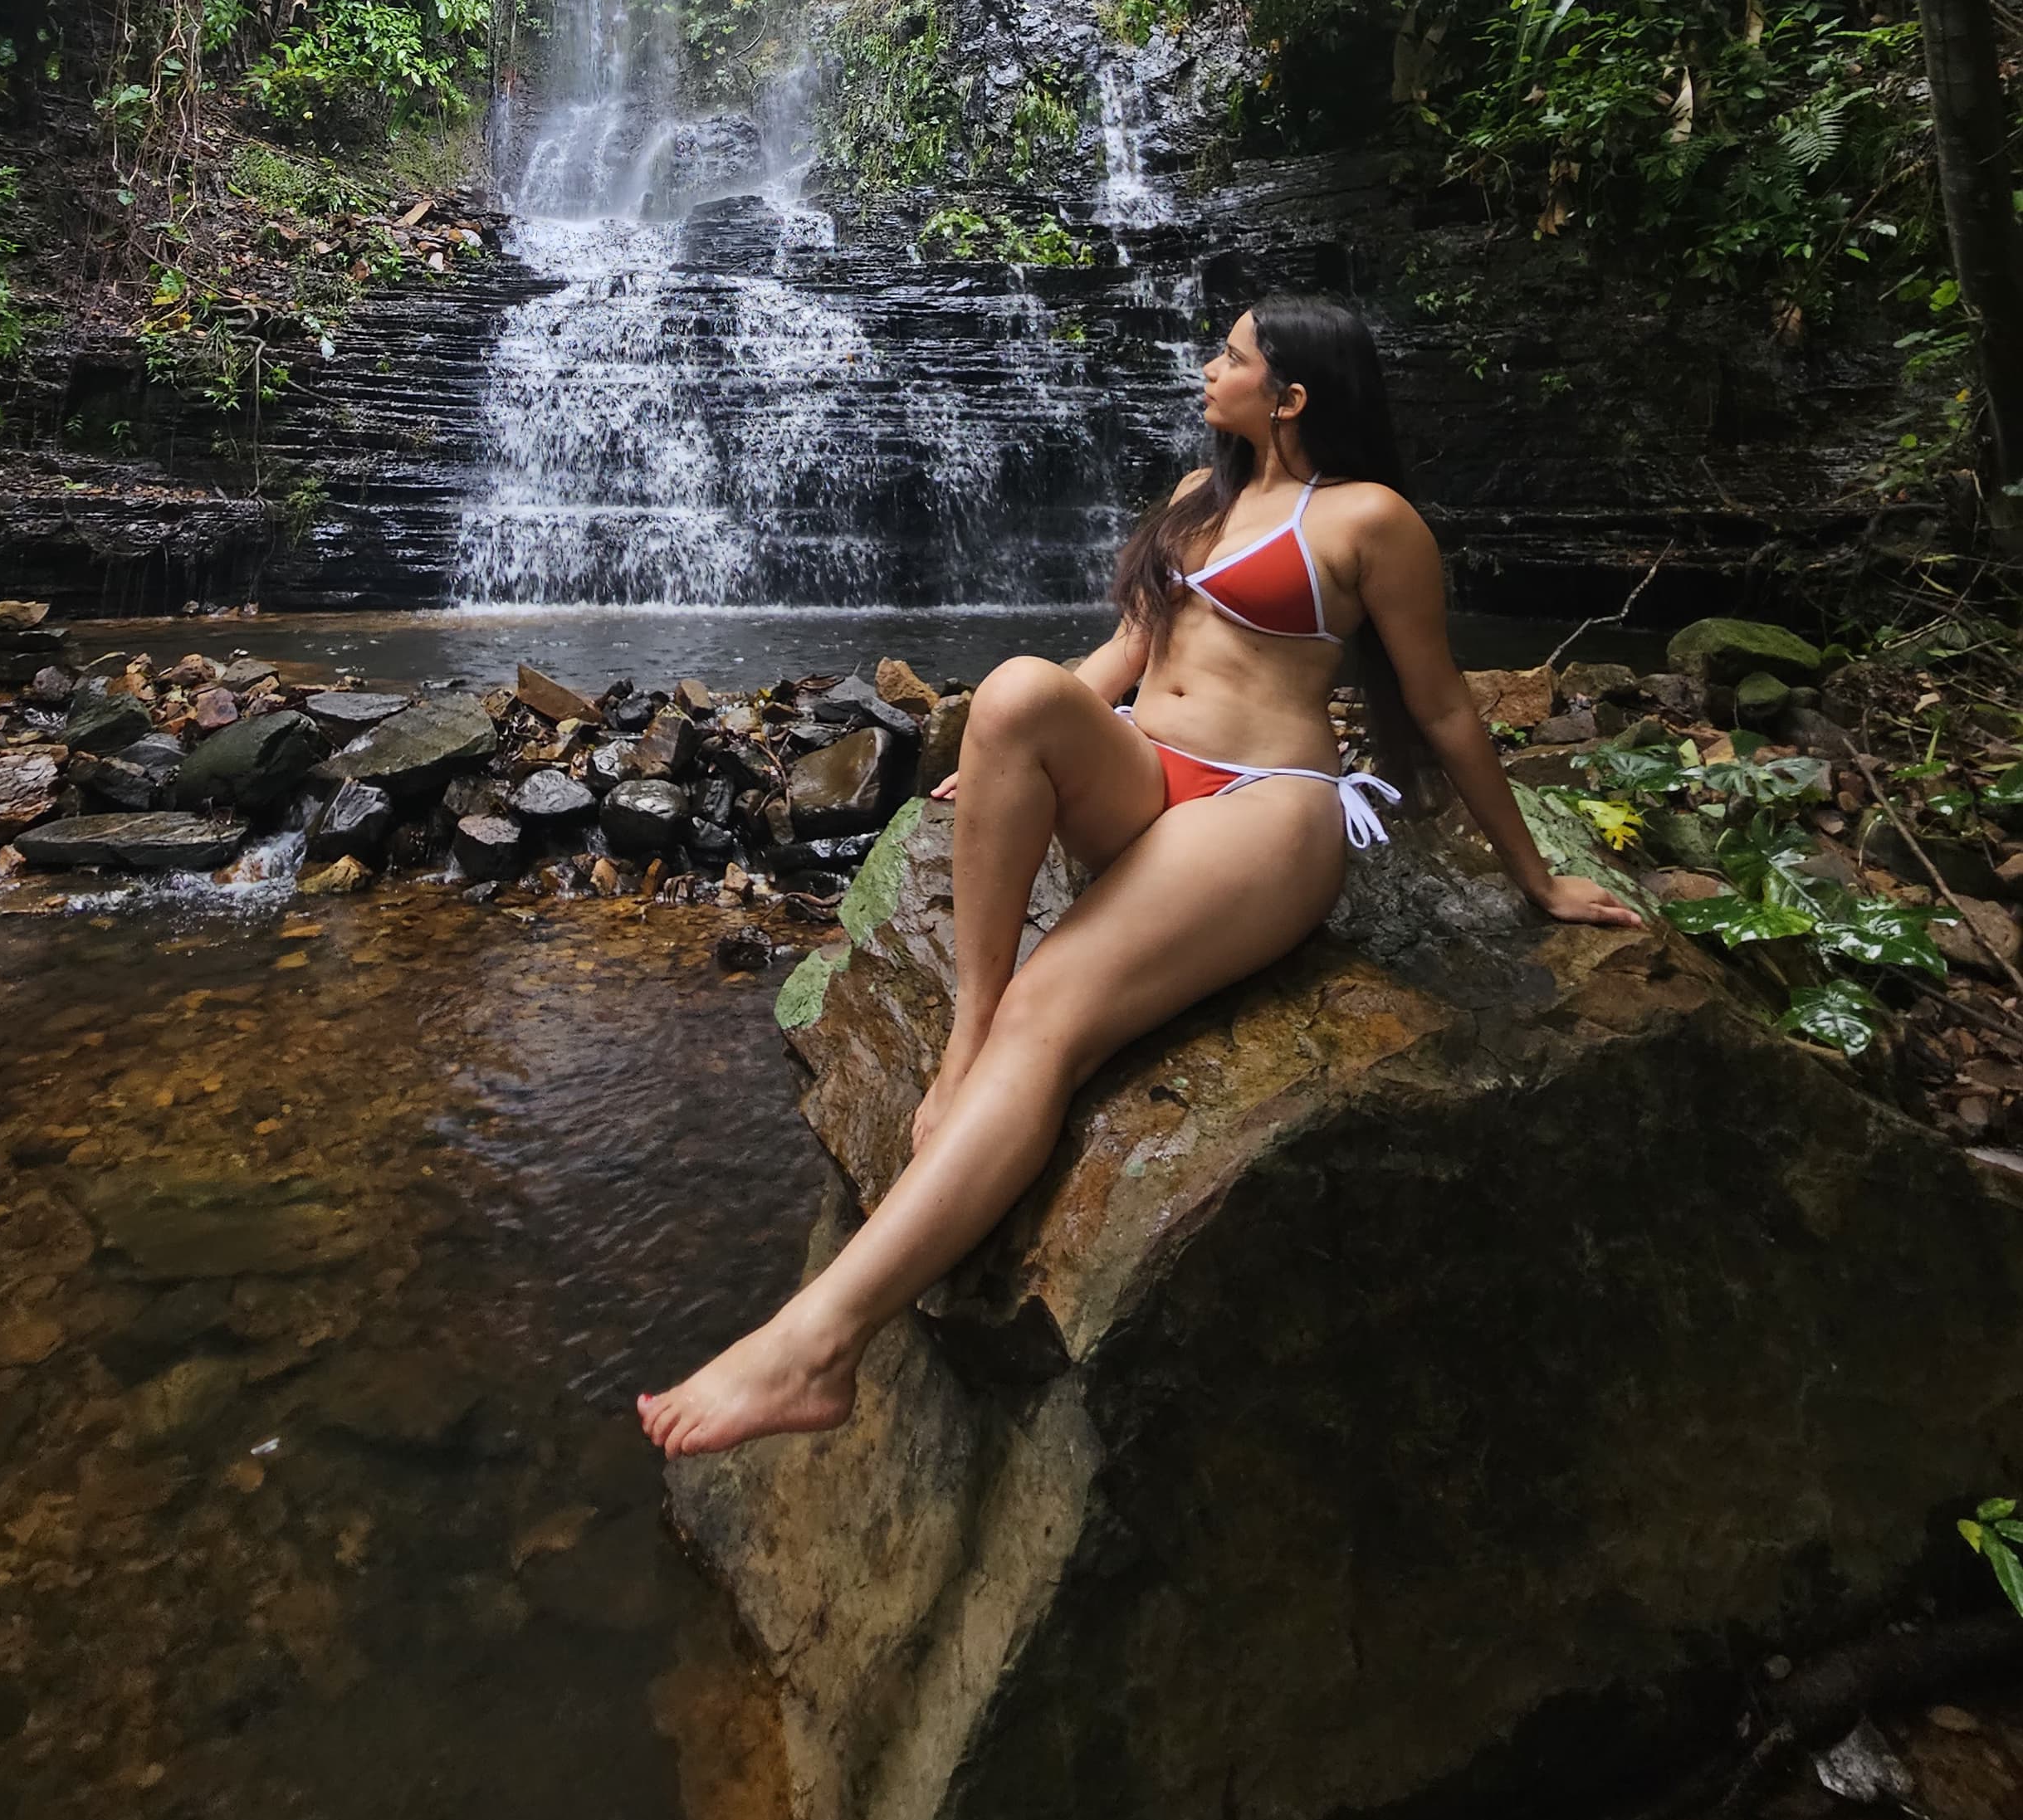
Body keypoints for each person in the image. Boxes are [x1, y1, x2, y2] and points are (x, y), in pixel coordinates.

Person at [638, 293, 1643, 1460]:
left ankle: (819, 1345)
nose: (1209, 367)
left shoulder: (1371, 522)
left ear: (1293, 396)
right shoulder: (1196, 499)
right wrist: (1012, 758)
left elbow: (1445, 710)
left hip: (1266, 809)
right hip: (1145, 774)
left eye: (1233, 355)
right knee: (1012, 693)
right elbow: (1120, 658)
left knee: (1052, 1019)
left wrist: (1538, 878)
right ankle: (966, 1039)